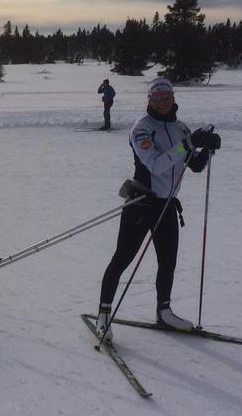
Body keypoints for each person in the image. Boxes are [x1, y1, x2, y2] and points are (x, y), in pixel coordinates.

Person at [95, 78, 221, 341]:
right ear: (149, 100)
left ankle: (164, 311)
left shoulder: (181, 128)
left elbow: (194, 165)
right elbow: (156, 164)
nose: (164, 102)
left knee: (168, 261)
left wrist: (208, 150)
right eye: (158, 97)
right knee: (123, 259)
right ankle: (104, 314)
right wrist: (187, 145)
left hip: (166, 205)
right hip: (141, 202)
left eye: (168, 97)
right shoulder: (142, 129)